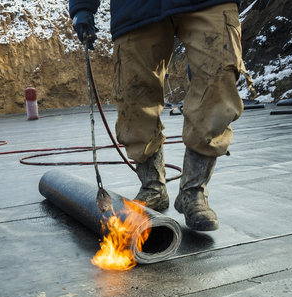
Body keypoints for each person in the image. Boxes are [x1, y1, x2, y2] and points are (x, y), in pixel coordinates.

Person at [70, 0, 247, 231]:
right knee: (133, 95)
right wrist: (82, 6)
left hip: (209, 3)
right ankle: (152, 187)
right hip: (135, 8)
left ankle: (193, 192)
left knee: (218, 82)